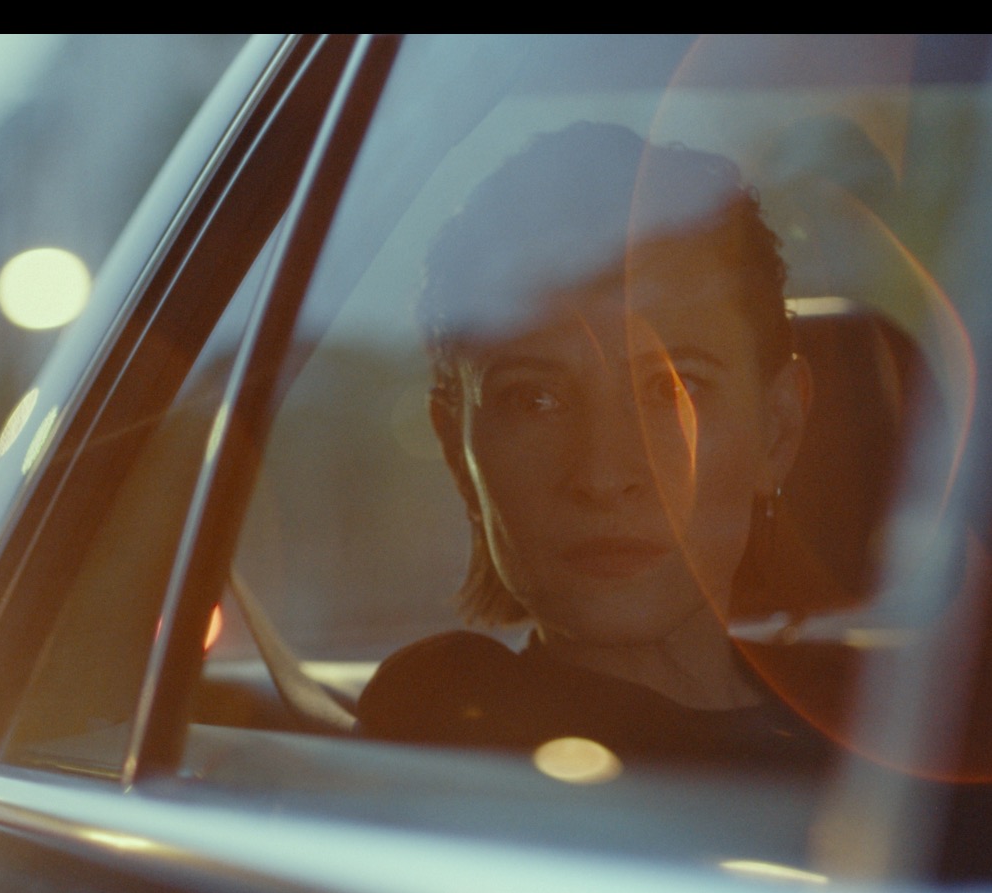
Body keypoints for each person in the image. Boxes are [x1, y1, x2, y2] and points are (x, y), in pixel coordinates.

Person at [356, 122, 836, 773]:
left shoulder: (898, 723)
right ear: (456, 450)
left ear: (776, 429)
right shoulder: (452, 724)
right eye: (535, 400)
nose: (604, 476)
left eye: (673, 390)